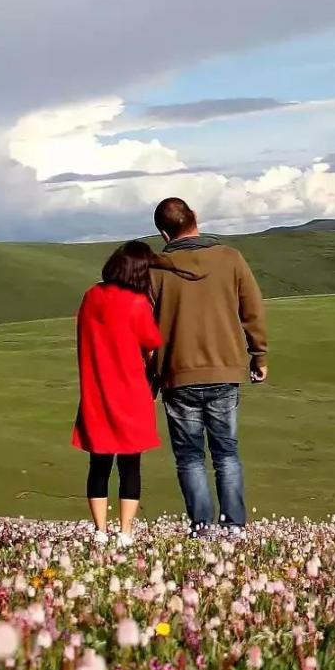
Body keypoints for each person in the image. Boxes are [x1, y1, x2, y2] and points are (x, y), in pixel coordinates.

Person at [149, 197, 267, 532]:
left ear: (162, 232)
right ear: (195, 217)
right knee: (226, 452)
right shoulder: (230, 258)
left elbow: (146, 328)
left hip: (177, 374)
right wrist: (259, 355)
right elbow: (253, 310)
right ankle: (233, 527)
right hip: (225, 368)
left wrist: (152, 377)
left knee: (190, 457)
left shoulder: (155, 269)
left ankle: (201, 528)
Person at [72, 241, 169, 538]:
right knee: (130, 466)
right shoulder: (137, 303)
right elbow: (152, 342)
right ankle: (125, 533)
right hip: (131, 393)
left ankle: (100, 531)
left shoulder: (91, 296)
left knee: (98, 465)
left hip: (96, 392)